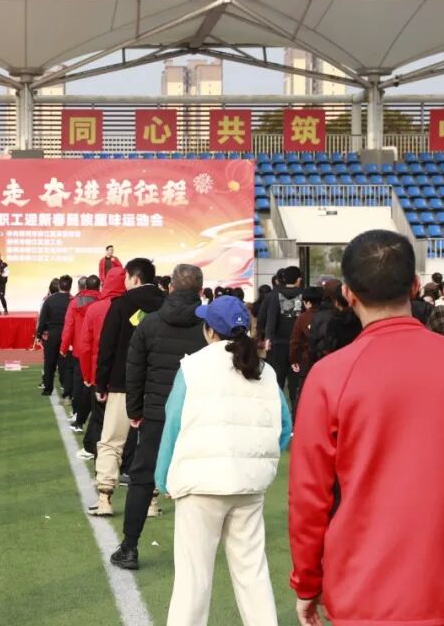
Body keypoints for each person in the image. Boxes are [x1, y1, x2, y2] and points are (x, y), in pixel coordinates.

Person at [290, 230, 444, 626]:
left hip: (366, 596)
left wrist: (307, 582)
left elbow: (309, 495)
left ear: (348, 294)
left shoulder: (331, 375)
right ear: (414, 286)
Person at [156, 295, 290, 625]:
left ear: (210, 330)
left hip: (200, 485)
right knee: (252, 572)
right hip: (248, 484)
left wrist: (163, 478)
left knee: (193, 579)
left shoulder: (193, 367)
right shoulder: (265, 371)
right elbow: (284, 427)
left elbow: (173, 423)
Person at [112, 264, 207, 570]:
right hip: (196, 414)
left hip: (157, 413)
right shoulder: (209, 328)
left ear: (170, 287)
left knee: (142, 478)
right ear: (200, 291)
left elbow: (134, 371)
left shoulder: (149, 324)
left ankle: (129, 546)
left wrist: (135, 411)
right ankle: (195, 552)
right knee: (197, 481)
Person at [89, 258, 163, 517]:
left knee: (111, 441)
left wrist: (101, 382)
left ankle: (105, 498)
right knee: (153, 443)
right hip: (157, 386)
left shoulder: (121, 305)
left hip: (123, 384)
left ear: (134, 278)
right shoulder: (165, 305)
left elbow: (107, 346)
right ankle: (151, 501)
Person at [78, 268, 126, 461]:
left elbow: (85, 346)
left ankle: (98, 454)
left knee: (99, 416)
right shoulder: (132, 308)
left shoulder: (95, 308)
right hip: (124, 372)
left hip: (98, 370)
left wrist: (87, 375)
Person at [62, 275, 100, 435]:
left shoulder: (75, 303)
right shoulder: (102, 302)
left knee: (80, 383)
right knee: (95, 384)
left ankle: (78, 413)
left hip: (80, 349)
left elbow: (69, 326)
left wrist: (64, 347)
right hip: (98, 349)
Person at [263, 266, 303, 413]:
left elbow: (271, 317)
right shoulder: (302, 294)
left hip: (278, 343)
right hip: (297, 345)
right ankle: (295, 413)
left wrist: (268, 337)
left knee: (277, 380)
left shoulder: (275, 294)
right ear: (298, 279)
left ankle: (277, 412)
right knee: (295, 382)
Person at [37, 275, 72, 397]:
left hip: (51, 335)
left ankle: (48, 388)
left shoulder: (49, 300)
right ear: (70, 286)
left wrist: (39, 334)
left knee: (49, 363)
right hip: (67, 335)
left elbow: (42, 319)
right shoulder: (72, 300)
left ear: (60, 285)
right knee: (65, 363)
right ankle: (66, 388)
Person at [288, 287, 323, 406]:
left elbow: (295, 341)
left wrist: (293, 360)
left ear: (307, 302)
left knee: (305, 393)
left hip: (306, 360)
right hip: (325, 359)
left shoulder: (303, 317)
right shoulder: (328, 315)